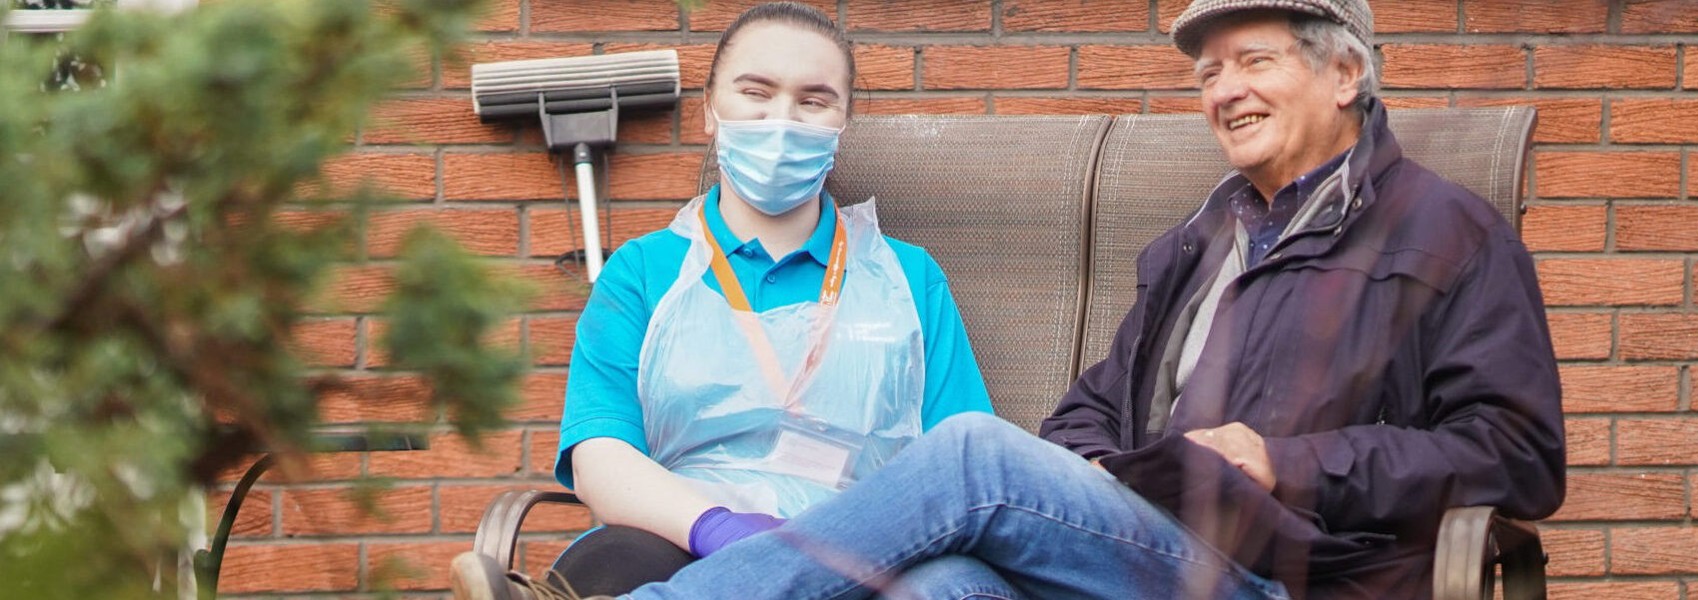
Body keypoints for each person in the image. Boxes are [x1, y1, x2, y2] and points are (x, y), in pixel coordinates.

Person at [461, 0, 1565, 598]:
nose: (1223, 90)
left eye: (1253, 60)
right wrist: (1090, 469)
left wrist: (1285, 462)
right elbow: (1092, 405)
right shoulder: (1200, 240)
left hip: (1296, 571)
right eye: (1206, 73)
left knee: (976, 459)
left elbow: (1517, 457)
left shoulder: (1445, 232)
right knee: (947, 584)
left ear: (1344, 72)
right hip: (1146, 545)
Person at [447, 3, 999, 599]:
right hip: (681, 535)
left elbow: (961, 462)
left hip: (870, 549)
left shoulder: (908, 279)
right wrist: (716, 527)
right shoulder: (642, 273)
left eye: (813, 101)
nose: (781, 119)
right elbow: (600, 456)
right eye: (755, 92)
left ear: (843, 121)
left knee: (959, 583)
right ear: (711, 110)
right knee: (613, 562)